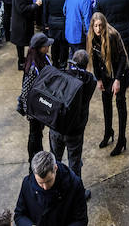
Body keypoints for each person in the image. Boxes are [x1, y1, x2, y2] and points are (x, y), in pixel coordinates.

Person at [86, 11, 129, 156]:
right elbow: (94, 59)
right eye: (95, 26)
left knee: (120, 104)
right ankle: (108, 132)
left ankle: (121, 139)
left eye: (100, 25)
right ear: (92, 27)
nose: (98, 29)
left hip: (119, 73)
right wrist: (98, 79)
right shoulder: (92, 37)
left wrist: (117, 80)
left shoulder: (112, 35)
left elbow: (123, 58)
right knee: (106, 104)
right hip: (105, 75)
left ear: (104, 25)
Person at [49, 49, 98, 182]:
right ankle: (76, 193)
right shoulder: (89, 81)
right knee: (74, 163)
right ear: (86, 65)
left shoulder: (62, 75)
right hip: (75, 130)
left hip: (57, 126)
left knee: (54, 161)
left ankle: (56, 188)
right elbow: (91, 78)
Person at [14, 149, 88, 226]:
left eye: (48, 181)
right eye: (40, 183)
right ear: (34, 173)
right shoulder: (27, 183)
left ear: (55, 168)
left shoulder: (74, 184)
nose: (45, 187)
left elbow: (81, 220)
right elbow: (19, 215)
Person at [19, 33, 54, 164]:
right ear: (39, 48)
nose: (48, 47)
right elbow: (25, 91)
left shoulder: (44, 58)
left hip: (42, 105)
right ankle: (34, 161)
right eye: (46, 45)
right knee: (35, 135)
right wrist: (28, 112)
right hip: (34, 109)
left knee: (39, 132)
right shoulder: (33, 68)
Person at [11, 0, 38, 71]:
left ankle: (25, 60)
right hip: (21, 24)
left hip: (25, 22)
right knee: (20, 44)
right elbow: (22, 9)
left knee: (24, 43)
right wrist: (35, 5)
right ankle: (21, 63)